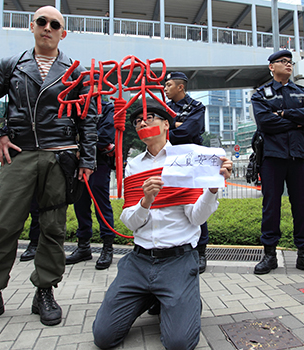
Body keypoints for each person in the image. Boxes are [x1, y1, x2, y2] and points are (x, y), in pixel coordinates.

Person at [0, 6, 97, 337]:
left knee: (53, 228)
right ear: (32, 27)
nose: (47, 28)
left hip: (60, 158)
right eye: (42, 22)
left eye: (55, 24)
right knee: (2, 226)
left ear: (63, 33)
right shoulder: (11, 65)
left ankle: (44, 292)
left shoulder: (77, 71)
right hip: (18, 155)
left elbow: (87, 119)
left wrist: (87, 161)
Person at [92, 99, 232, 350]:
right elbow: (130, 222)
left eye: (149, 118)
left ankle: (180, 297)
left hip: (177, 260)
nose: (142, 123)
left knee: (179, 344)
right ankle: (155, 296)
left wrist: (212, 189)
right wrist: (145, 201)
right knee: (103, 337)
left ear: (167, 124)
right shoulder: (133, 166)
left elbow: (196, 218)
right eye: (137, 121)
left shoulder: (186, 160)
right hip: (139, 260)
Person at [250, 50, 304, 276]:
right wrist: (295, 119)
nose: (288, 65)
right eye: (283, 62)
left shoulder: (302, 92)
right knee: (271, 206)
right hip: (272, 157)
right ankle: (269, 255)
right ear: (271, 67)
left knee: (302, 206)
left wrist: (281, 114)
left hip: (299, 156)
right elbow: (265, 122)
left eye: (290, 62)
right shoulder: (260, 94)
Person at [164, 71, 209, 273]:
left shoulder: (197, 107)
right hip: (168, 160)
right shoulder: (162, 107)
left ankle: (200, 251)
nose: (165, 88)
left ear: (180, 87)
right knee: (170, 203)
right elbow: (155, 131)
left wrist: (169, 128)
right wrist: (176, 125)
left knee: (196, 203)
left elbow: (190, 131)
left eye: (169, 85)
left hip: (191, 161)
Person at [66, 101, 116, 269]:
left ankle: (107, 248)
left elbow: (105, 136)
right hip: (76, 161)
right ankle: (83, 247)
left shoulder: (108, 107)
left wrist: (82, 146)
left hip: (99, 162)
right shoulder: (76, 106)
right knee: (79, 203)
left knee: (101, 204)